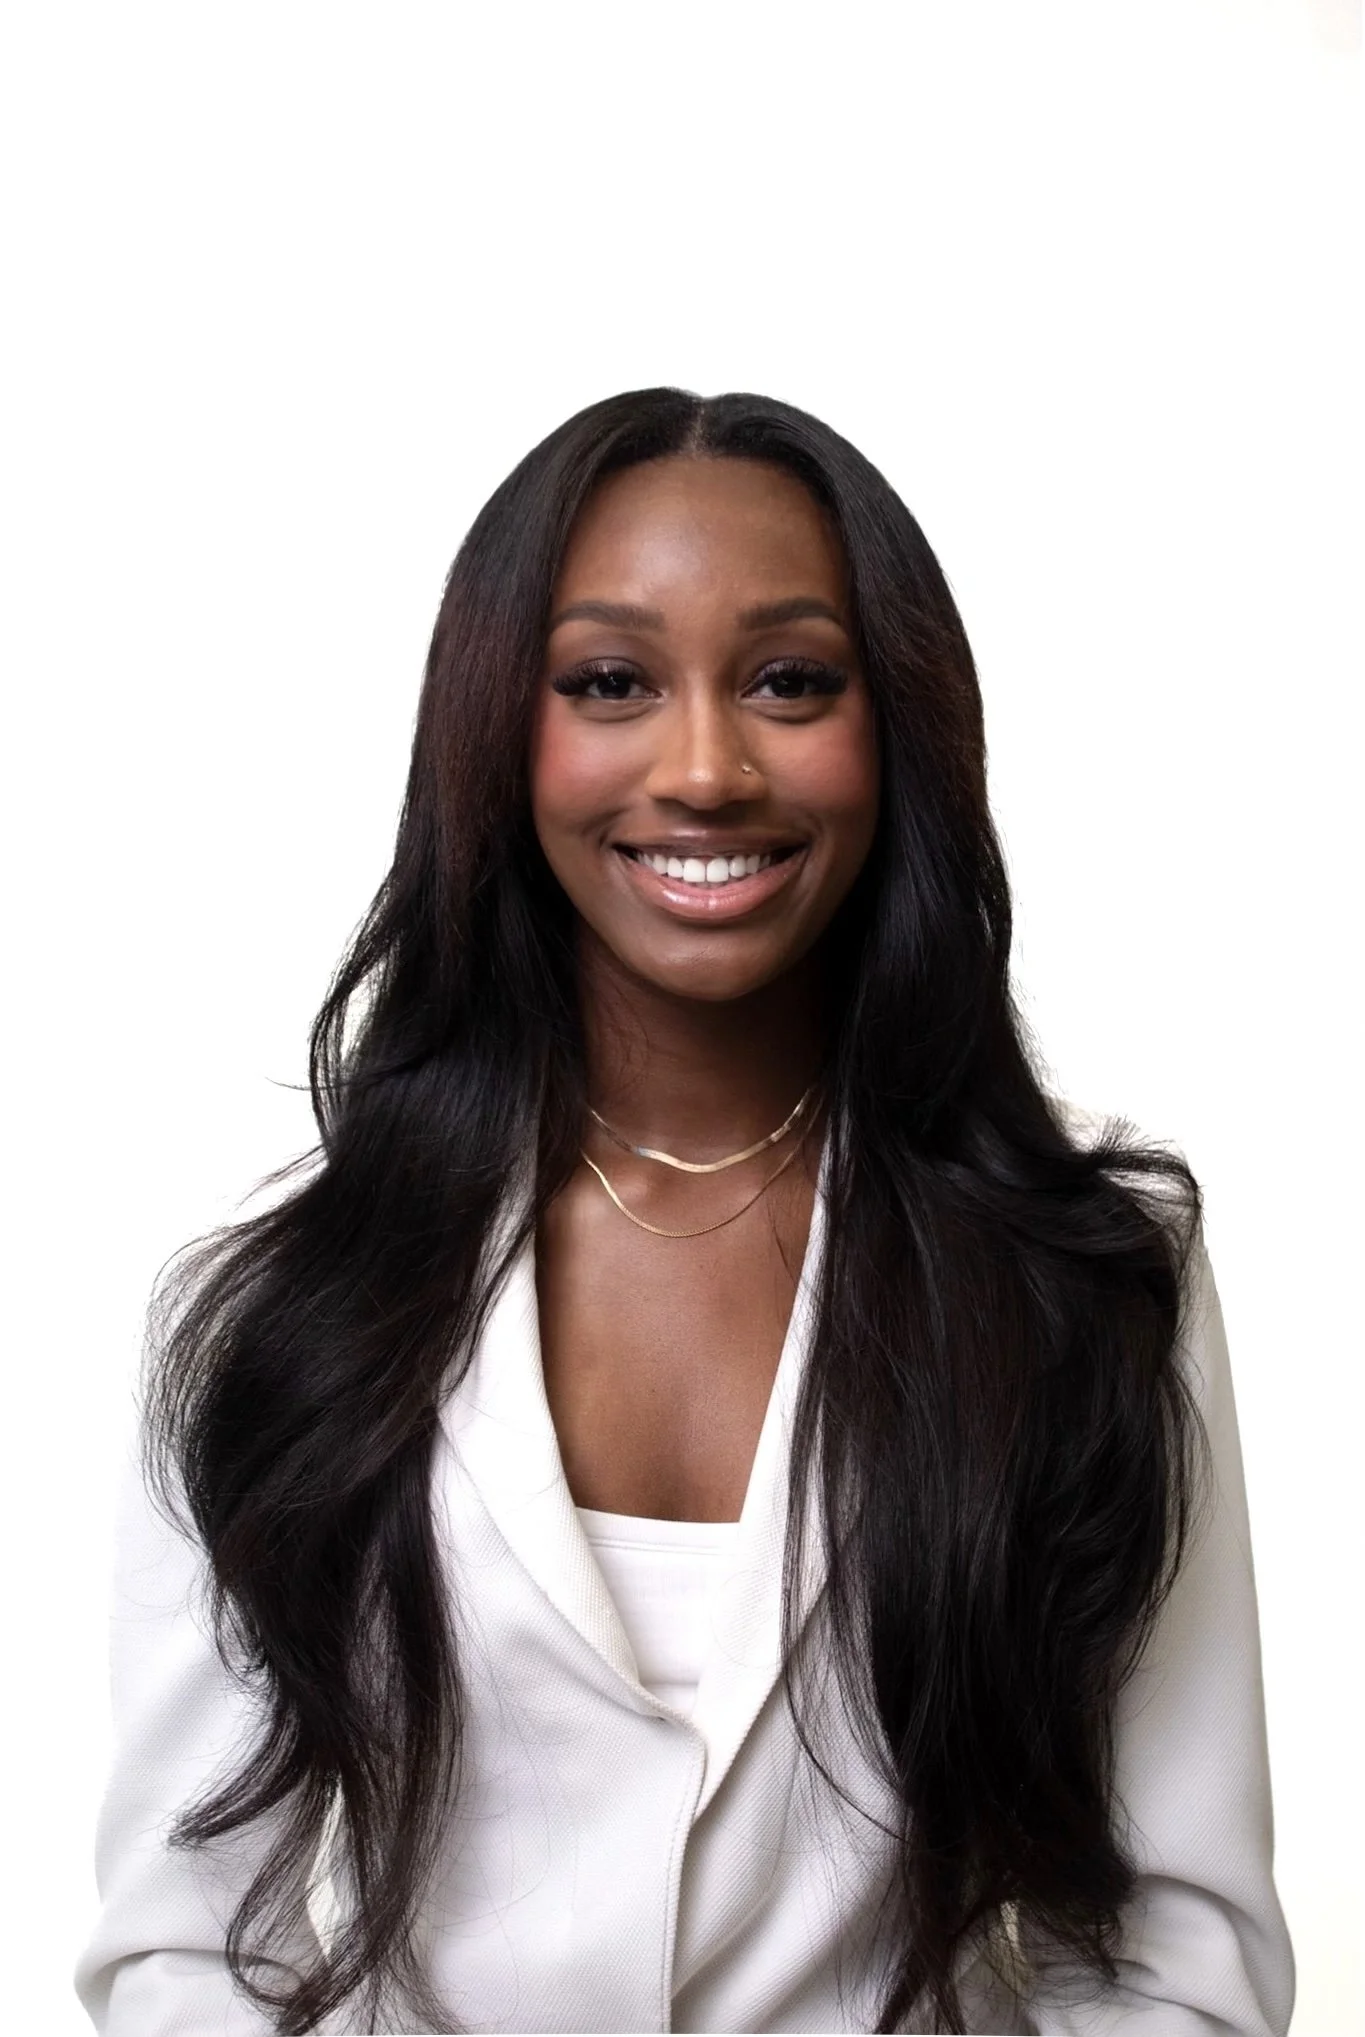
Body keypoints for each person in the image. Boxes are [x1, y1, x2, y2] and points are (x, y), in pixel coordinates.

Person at [76, 388, 1294, 2036]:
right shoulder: (279, 1300)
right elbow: (185, 1953)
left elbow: (1178, 1946)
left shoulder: (1090, 1269)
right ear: (502, 735)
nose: (707, 767)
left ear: (900, 728)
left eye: (793, 680)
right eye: (610, 683)